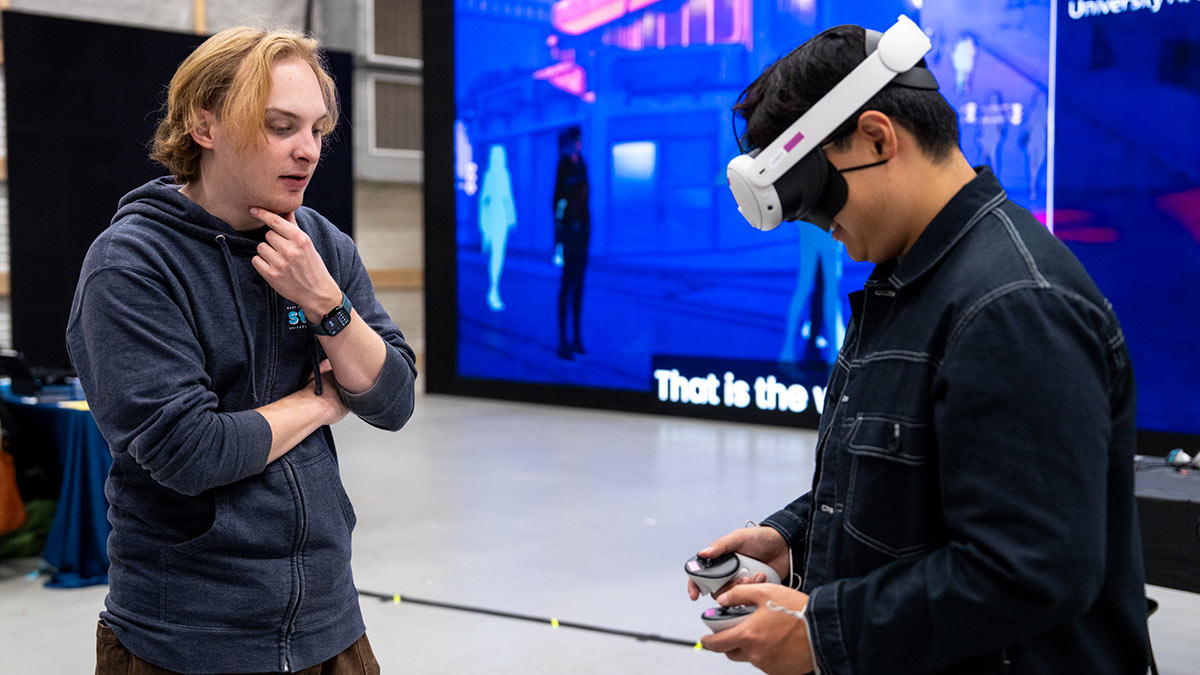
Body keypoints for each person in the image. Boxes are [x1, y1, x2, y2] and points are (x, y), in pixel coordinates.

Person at [689, 24, 1151, 675]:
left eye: (819, 198)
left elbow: (1032, 568)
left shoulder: (1013, 304)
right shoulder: (906, 278)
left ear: (878, 138)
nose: (823, 228)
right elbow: (918, 481)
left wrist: (824, 634)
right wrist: (794, 539)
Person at [66, 26, 417, 674]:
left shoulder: (320, 246)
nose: (307, 151)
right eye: (281, 125)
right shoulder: (131, 265)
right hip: (189, 643)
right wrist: (319, 403)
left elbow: (393, 399)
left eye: (316, 130)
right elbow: (189, 450)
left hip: (329, 625)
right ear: (205, 124)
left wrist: (324, 303)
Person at [553, 125, 590, 360]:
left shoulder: (582, 164)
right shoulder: (564, 166)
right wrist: (558, 239)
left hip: (582, 234)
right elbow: (557, 202)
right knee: (567, 288)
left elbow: (585, 201)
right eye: (576, 140)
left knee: (578, 288)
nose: (578, 144)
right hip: (568, 235)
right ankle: (563, 341)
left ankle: (576, 338)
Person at [479, 143, 517, 311]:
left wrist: (511, 218)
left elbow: (508, 198)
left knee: (499, 256)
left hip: (502, 221)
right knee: (495, 256)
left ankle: (494, 290)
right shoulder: (489, 176)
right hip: (493, 220)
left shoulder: (504, 174)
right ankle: (493, 290)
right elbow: (484, 202)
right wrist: (484, 225)